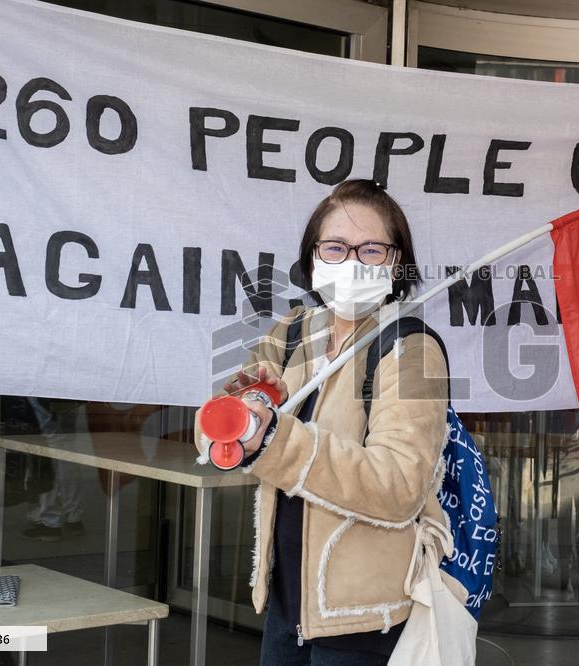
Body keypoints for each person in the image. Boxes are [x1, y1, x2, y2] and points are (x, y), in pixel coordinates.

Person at [196, 179, 457, 665]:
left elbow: (400, 485)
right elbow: (221, 421)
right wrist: (237, 422)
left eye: (371, 249)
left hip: (364, 617)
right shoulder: (294, 331)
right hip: (287, 607)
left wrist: (273, 438)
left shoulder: (414, 349)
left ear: (396, 261)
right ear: (315, 256)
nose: (353, 261)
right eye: (336, 247)